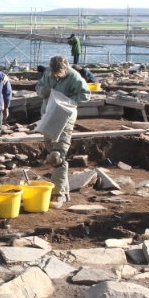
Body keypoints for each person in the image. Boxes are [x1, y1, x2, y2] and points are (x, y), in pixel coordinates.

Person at [36, 55, 91, 208]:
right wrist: (46, 90)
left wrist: (67, 100)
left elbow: (85, 94)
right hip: (48, 115)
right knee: (51, 154)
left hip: (65, 116)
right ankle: (65, 193)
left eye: (57, 74)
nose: (54, 76)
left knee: (57, 156)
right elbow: (38, 89)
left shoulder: (73, 76)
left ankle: (57, 194)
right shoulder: (47, 73)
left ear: (64, 69)